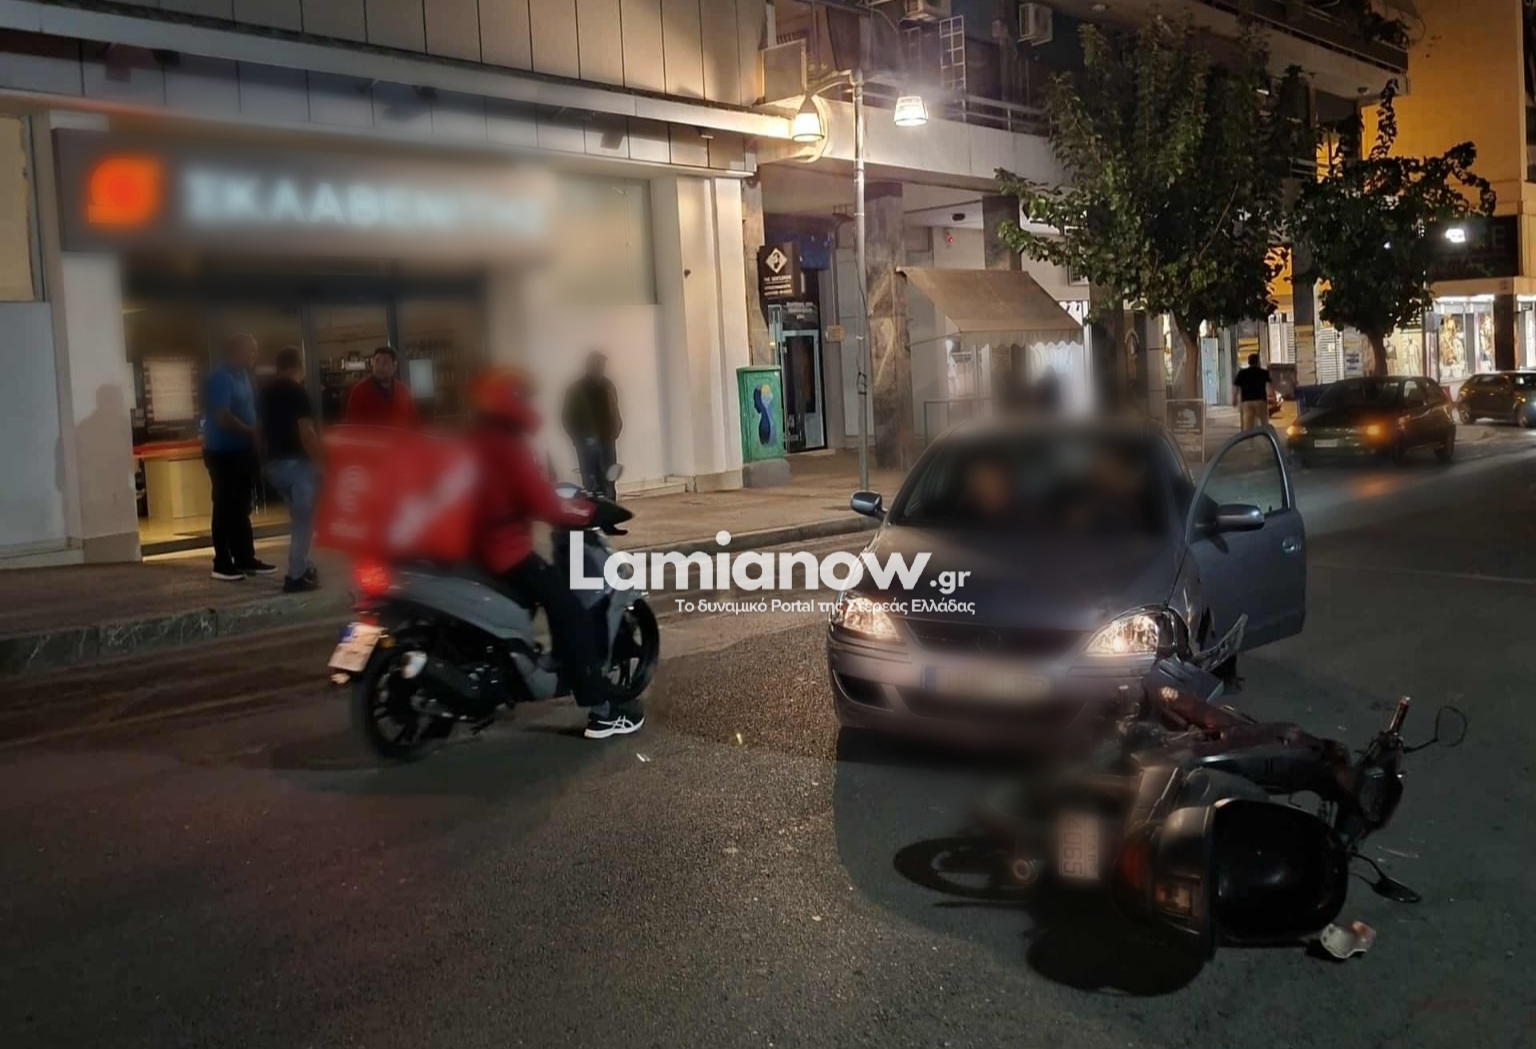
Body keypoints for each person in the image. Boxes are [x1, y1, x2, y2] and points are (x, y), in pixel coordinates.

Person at [469, 368, 644, 740]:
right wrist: (589, 512)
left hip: (473, 551)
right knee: (570, 611)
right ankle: (601, 711)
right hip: (505, 552)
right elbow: (545, 504)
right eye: (525, 397)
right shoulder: (509, 446)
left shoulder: (476, 439)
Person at [202, 333, 276, 581]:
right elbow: (222, 416)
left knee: (242, 507)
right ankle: (222, 562)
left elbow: (249, 410)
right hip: (223, 453)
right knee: (225, 506)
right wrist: (250, 431)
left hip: (242, 451)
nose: (255, 355)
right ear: (235, 351)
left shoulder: (244, 376)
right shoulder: (220, 378)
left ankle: (245, 557)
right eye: (251, 350)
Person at [258, 346, 323, 593]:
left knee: (298, 517)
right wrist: (322, 462)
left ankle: (304, 565)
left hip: (275, 466)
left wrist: (263, 462)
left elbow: (258, 431)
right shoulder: (298, 392)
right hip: (298, 466)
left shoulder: (265, 393)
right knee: (303, 522)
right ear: (299, 365)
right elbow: (306, 433)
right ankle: (296, 575)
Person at [562, 351, 622, 499]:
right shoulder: (576, 388)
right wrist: (579, 439)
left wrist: (616, 429)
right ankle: (595, 511)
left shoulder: (609, 385)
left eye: (602, 364)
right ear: (588, 366)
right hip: (587, 444)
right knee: (591, 484)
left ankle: (610, 510)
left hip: (608, 441)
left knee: (610, 481)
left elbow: (615, 408)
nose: (600, 367)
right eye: (596, 364)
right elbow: (567, 418)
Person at [344, 346, 419, 428]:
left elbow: (414, 422)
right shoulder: (359, 391)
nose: (379, 367)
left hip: (400, 436)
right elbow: (352, 426)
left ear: (394, 366)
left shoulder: (403, 391)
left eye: (385, 363)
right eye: (377, 361)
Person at [1233, 353, 1274, 433]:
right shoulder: (1263, 372)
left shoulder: (1242, 373)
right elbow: (1270, 386)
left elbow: (1236, 387)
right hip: (1261, 401)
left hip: (1247, 402)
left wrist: (1234, 398)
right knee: (1264, 422)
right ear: (1258, 362)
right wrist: (1273, 397)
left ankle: (1248, 439)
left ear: (1249, 362)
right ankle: (1265, 437)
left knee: (1247, 425)